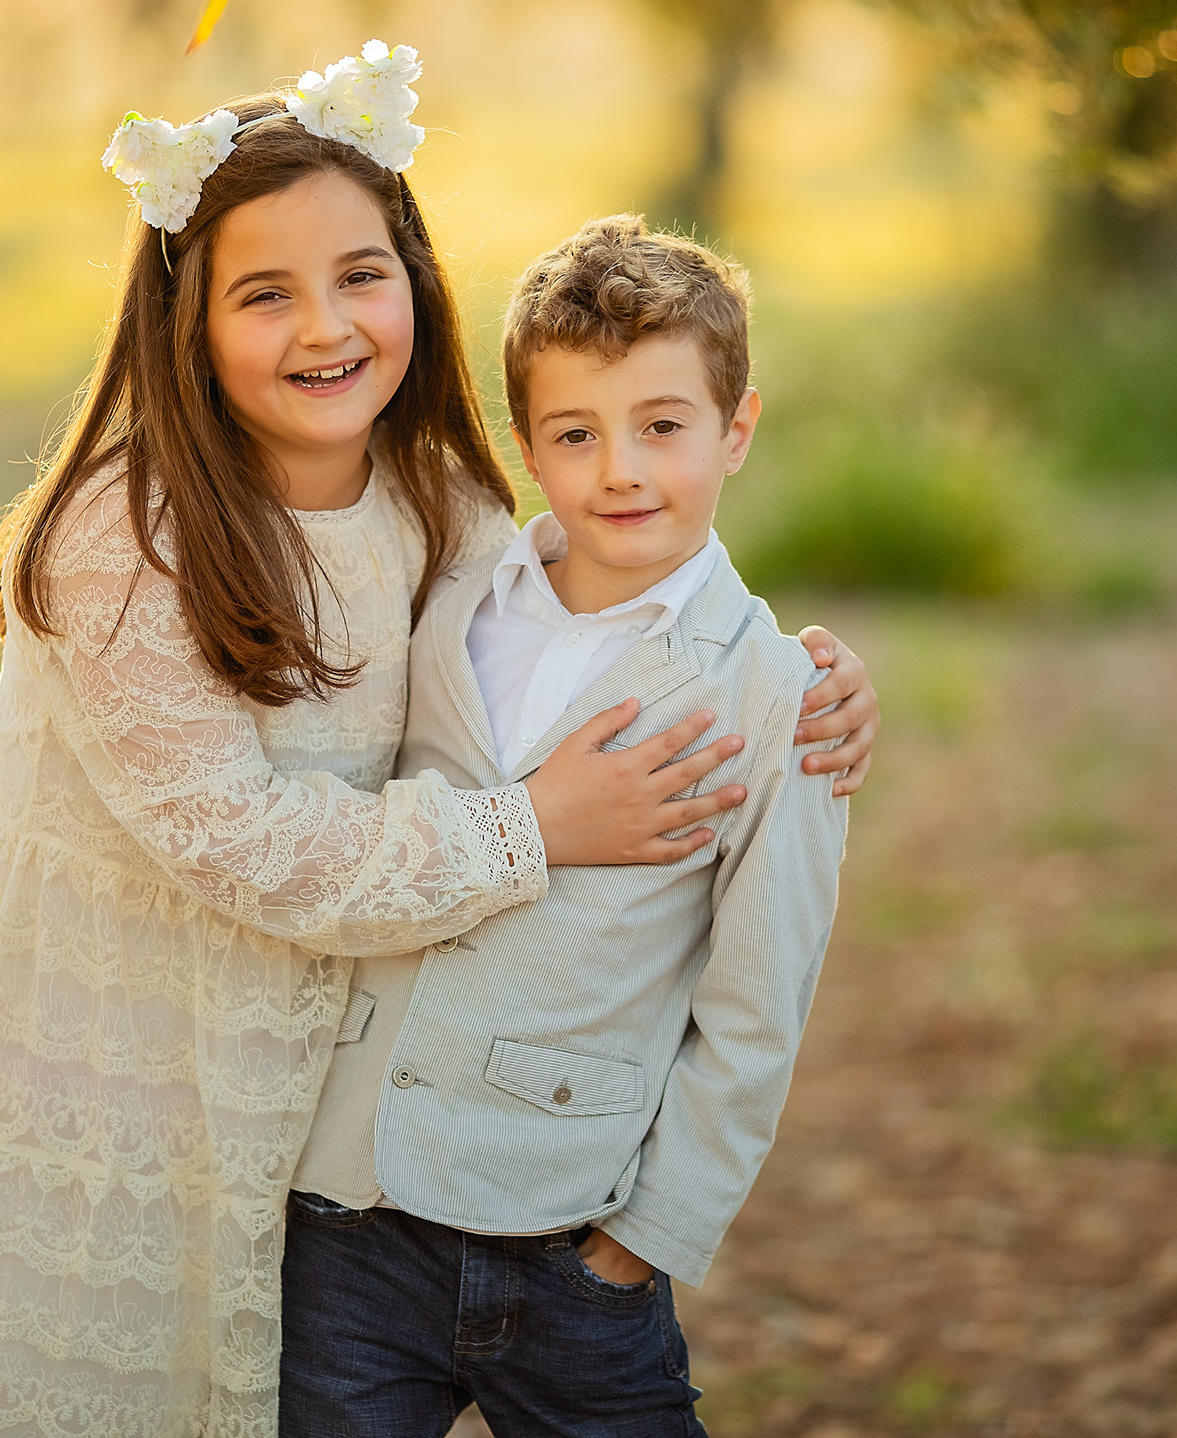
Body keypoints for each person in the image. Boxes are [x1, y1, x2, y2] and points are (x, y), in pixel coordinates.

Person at [0, 45, 879, 1438]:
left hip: (318, 1117)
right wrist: (533, 824)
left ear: (416, 286)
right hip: (109, 1070)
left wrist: (814, 684)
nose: (326, 325)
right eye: (265, 292)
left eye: (360, 275)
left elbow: (608, 603)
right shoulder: (122, 542)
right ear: (186, 320)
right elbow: (241, 842)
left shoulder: (444, 518)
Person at [282, 214, 852, 1438]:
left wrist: (643, 1246)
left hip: (565, 1244)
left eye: (663, 426)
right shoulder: (453, 602)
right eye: (575, 434)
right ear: (526, 445)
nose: (621, 471)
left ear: (736, 427)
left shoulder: (772, 694)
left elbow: (759, 998)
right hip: (353, 1216)